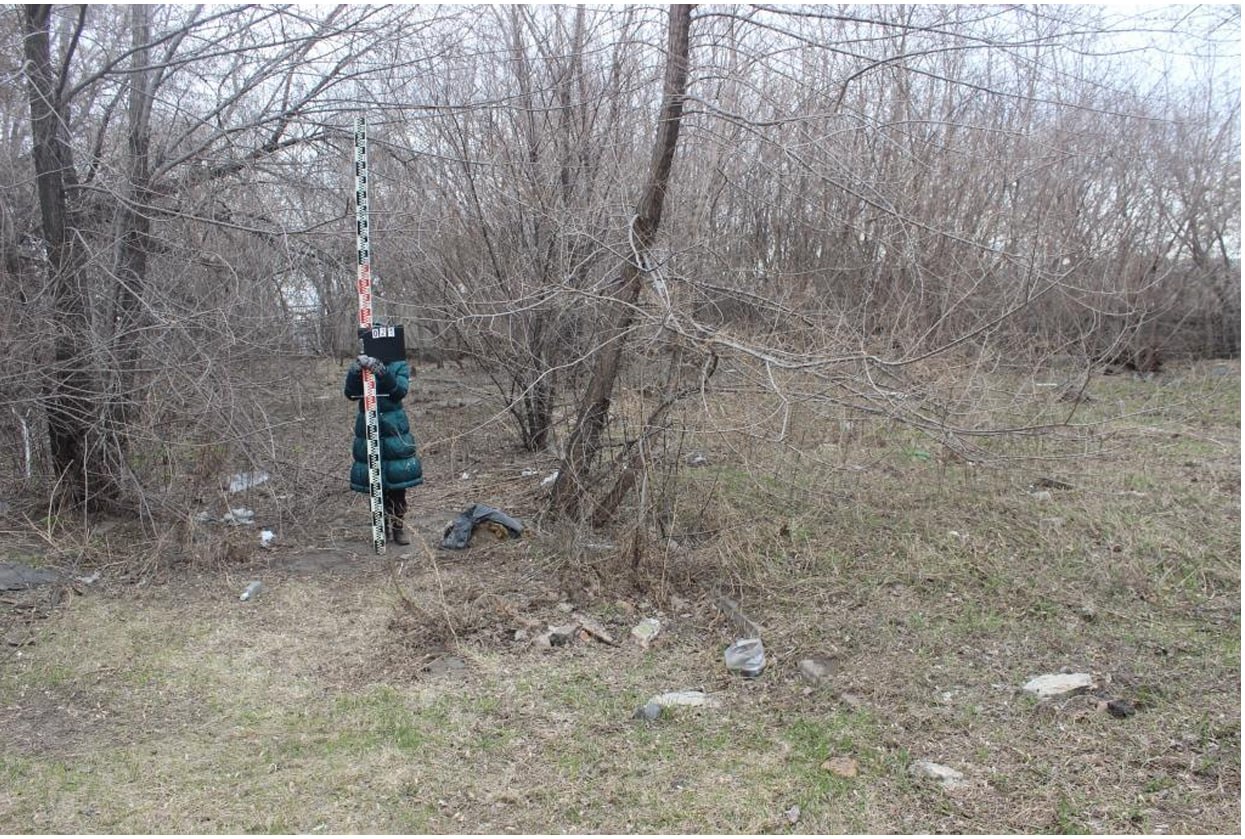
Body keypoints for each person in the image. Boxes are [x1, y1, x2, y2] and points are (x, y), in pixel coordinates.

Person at [344, 352, 423, 545]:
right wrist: (355, 372)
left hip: (394, 429)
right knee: (374, 482)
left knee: (397, 484)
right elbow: (350, 394)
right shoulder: (361, 365)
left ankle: (398, 527)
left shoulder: (399, 364)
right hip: (367, 430)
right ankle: (381, 529)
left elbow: (399, 392)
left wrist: (382, 372)